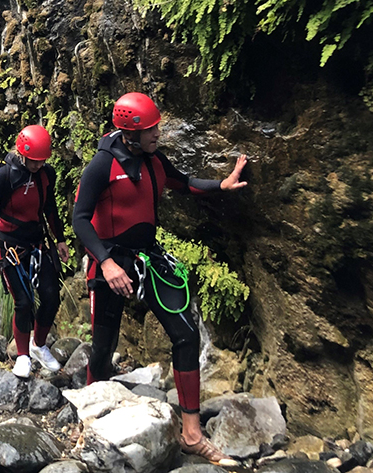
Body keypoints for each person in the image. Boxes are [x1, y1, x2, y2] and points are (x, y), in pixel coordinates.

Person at [72, 92, 247, 465]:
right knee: (103, 348)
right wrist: (104, 263)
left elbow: (184, 183)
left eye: (157, 128)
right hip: (110, 264)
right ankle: (87, 416)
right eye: (151, 130)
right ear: (130, 134)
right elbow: (80, 219)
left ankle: (192, 434)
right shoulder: (101, 166)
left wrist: (222, 184)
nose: (158, 134)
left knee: (185, 335)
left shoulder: (154, 159)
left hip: (147, 259)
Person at [0, 124, 70, 378]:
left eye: (42, 161)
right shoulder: (4, 177)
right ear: (22, 154)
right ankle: (22, 356)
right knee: (24, 303)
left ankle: (39, 346)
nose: (38, 165)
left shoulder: (46, 174)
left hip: (37, 243)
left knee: (51, 297)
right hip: (9, 247)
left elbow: (49, 208)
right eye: (33, 161)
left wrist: (60, 240)